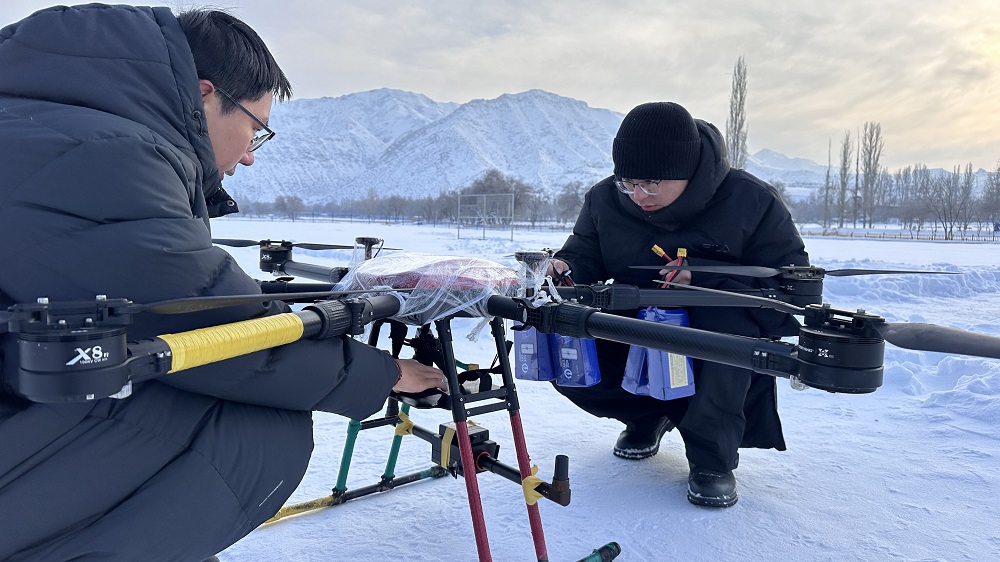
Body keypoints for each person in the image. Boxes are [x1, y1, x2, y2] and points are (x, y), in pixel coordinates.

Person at [0, 5, 444, 560]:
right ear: (206, 95)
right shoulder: (101, 155)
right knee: (257, 431)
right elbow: (215, 329)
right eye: (256, 129)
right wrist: (384, 374)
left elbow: (174, 291)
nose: (251, 156)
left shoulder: (44, 122)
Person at [546, 101, 808, 508]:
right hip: (632, 316)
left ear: (687, 170)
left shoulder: (751, 200)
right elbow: (584, 252)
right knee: (567, 345)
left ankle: (711, 460)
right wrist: (566, 268)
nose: (638, 195)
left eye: (651, 182)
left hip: (716, 329)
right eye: (628, 183)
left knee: (726, 340)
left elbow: (792, 287)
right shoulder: (604, 200)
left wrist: (702, 275)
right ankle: (646, 416)